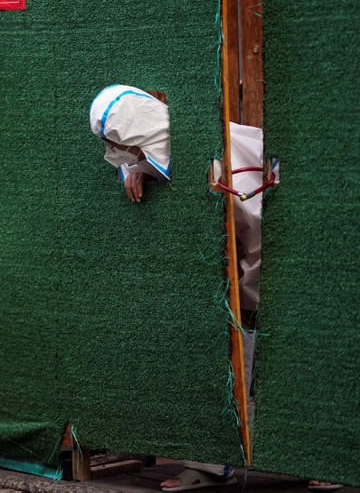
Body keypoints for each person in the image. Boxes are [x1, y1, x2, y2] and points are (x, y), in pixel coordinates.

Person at [89, 86, 342, 492]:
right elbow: (157, 158)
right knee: (215, 353)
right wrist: (138, 169)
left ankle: (329, 456)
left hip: (283, 265)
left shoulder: (228, 145)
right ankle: (211, 464)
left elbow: (266, 226)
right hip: (236, 277)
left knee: (297, 350)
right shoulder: (157, 146)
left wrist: (251, 294)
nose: (126, 154)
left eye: (127, 146)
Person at [88, 84, 171, 203]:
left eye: (115, 142)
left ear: (136, 136)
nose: (112, 149)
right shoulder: (131, 162)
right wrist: (145, 174)